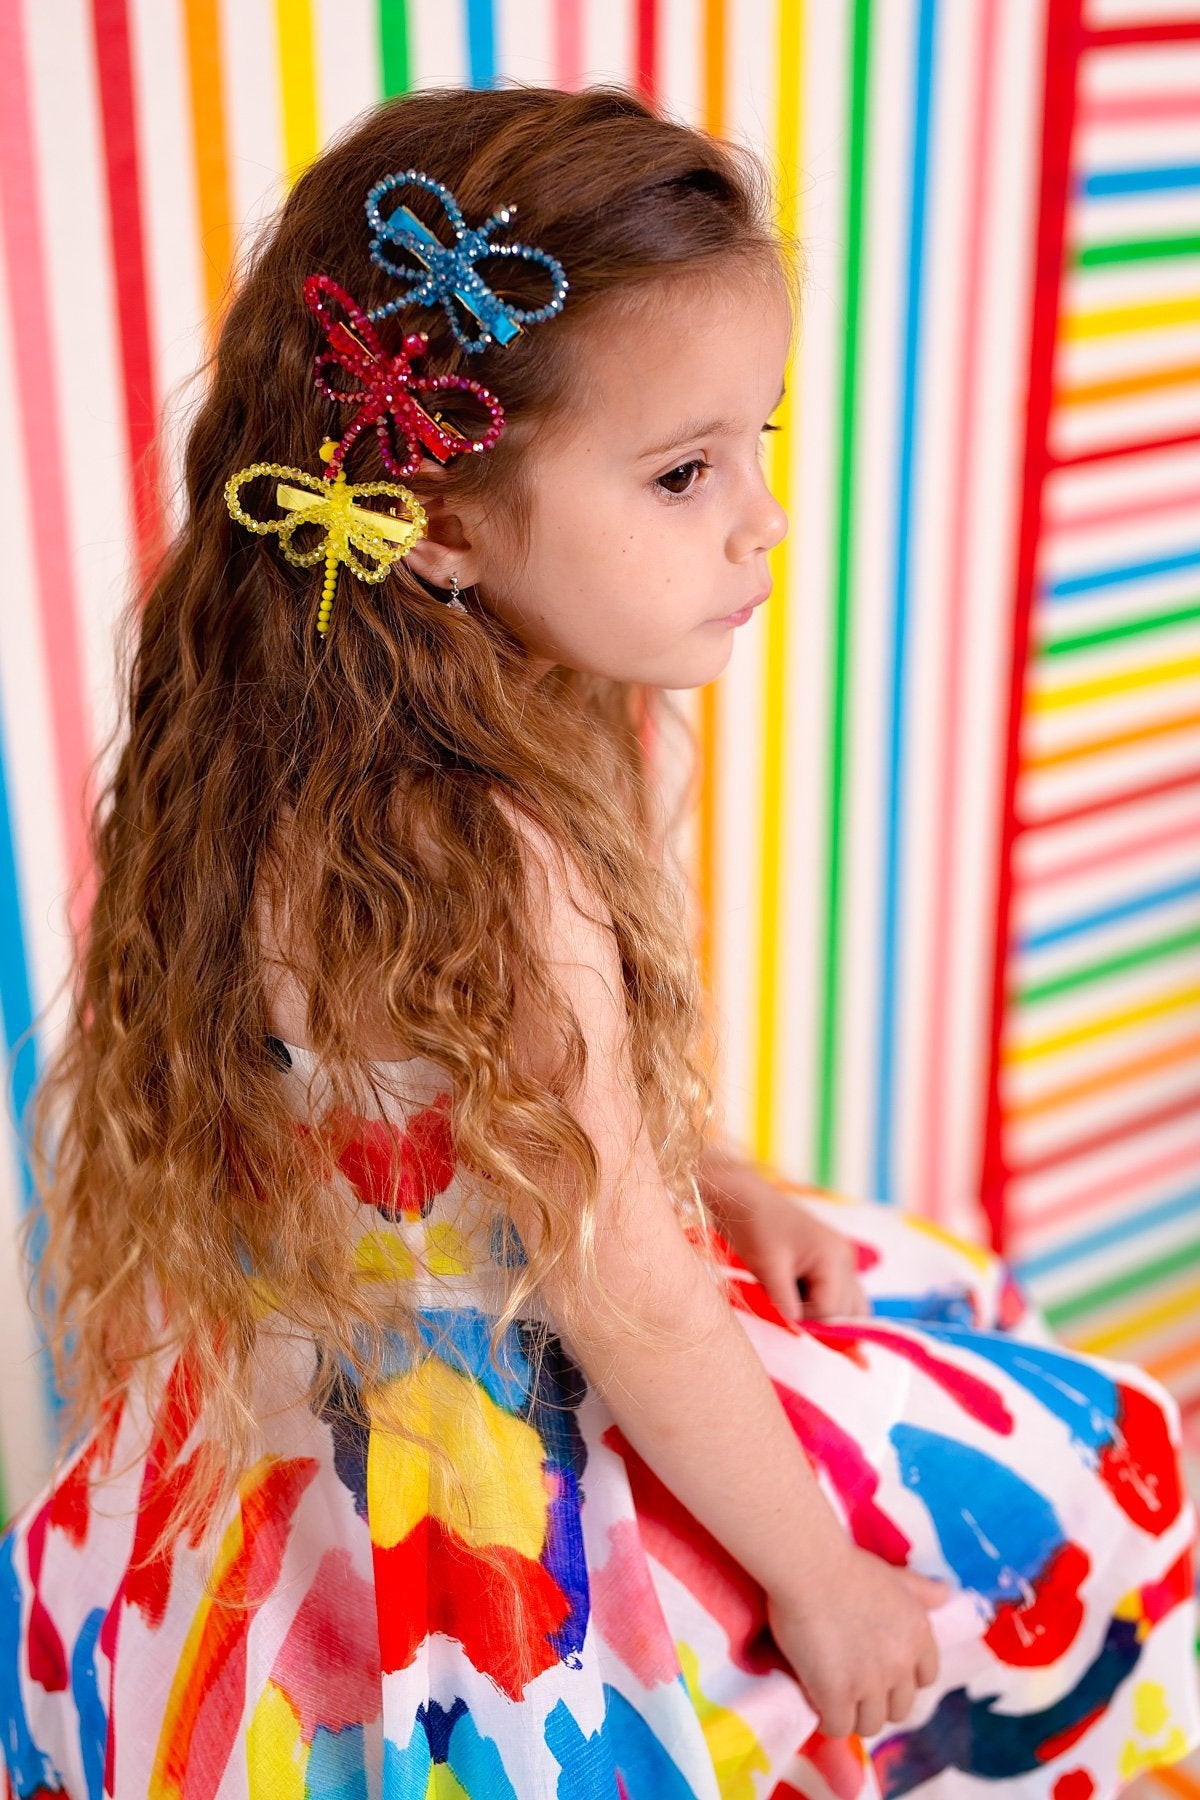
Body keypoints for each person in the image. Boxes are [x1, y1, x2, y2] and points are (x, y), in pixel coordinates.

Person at [1, 82, 1195, 1800]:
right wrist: (816, 1574)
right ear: (443, 517)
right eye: (685, 472)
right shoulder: (492, 856)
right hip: (491, 1499)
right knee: (1087, 1475)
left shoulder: (278, 769)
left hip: (298, 1431)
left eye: (758, 440)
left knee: (920, 1283)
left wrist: (715, 1173)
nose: (762, 516)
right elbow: (625, 1293)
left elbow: (450, 1134)